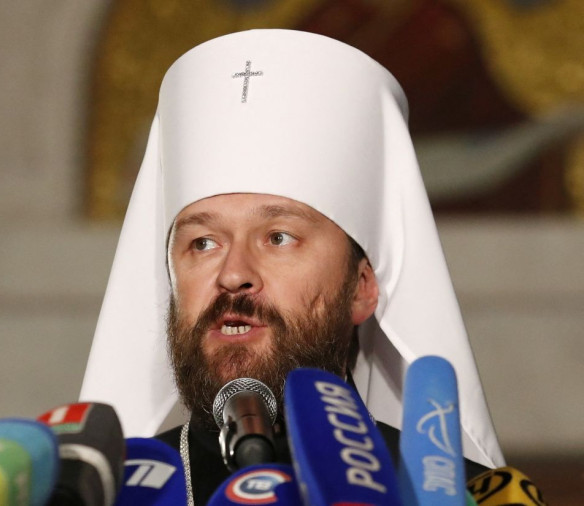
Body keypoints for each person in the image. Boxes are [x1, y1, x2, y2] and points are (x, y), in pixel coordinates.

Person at [80, 29, 505, 504]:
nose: (233, 273)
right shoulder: (105, 496)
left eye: (278, 237)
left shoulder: (453, 497)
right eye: (203, 242)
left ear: (362, 287)